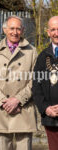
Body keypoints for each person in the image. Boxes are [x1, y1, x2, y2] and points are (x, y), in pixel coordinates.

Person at [0, 15, 38, 150]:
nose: (15, 32)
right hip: (3, 109)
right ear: (4, 30)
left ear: (23, 30)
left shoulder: (32, 51)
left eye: (18, 29)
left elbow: (36, 80)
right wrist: (5, 102)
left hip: (24, 108)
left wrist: (18, 100)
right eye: (11, 28)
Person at [32, 16, 58, 150]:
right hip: (51, 118)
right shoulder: (42, 56)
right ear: (48, 32)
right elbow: (36, 87)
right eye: (53, 29)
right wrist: (46, 108)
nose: (56, 33)